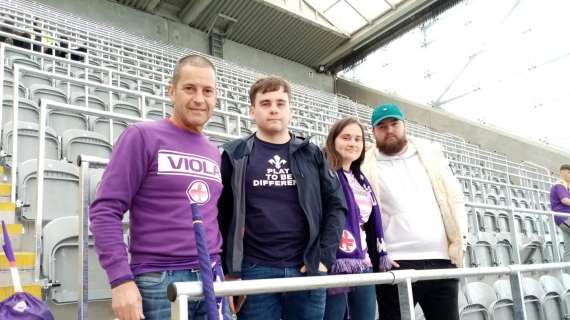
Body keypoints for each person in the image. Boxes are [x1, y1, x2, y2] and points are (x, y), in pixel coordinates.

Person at [90, 54, 226, 320]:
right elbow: (105, 210)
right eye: (190, 88)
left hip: (212, 275)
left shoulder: (214, 152)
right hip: (159, 281)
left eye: (207, 91)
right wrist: (120, 280)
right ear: (172, 91)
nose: (199, 98)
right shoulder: (142, 136)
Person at [217, 75, 346, 320]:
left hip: (306, 268)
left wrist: (323, 257)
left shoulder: (312, 154)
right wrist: (230, 269)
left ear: (291, 110)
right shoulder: (234, 154)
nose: (274, 109)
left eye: (280, 103)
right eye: (265, 103)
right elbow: (221, 214)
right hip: (254, 269)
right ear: (252, 111)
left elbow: (337, 205)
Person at [361, 103, 467, 320]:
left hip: (442, 261)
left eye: (394, 123)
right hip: (397, 264)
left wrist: (461, 241)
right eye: (381, 126)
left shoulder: (430, 157)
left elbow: (454, 200)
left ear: (404, 125)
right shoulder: (365, 164)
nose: (389, 130)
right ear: (373, 132)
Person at [322, 117, 390, 320]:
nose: (353, 143)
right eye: (346, 137)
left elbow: (366, 224)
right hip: (333, 261)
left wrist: (382, 252)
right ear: (333, 140)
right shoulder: (323, 173)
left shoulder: (361, 179)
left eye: (358, 139)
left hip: (363, 262)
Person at [551, 164, 570, 261]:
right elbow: (565, 200)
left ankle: (568, 272)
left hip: (564, 218)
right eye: (569, 172)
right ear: (563, 172)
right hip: (564, 217)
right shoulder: (560, 184)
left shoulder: (565, 186)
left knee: (568, 247)